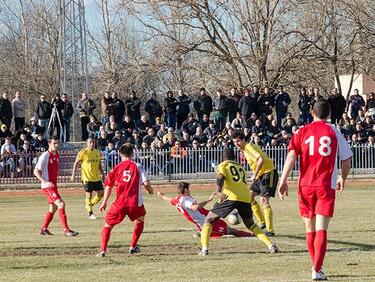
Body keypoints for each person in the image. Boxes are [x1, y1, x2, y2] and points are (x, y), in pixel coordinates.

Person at [277, 99, 352, 281]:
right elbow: (346, 160)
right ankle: (317, 269)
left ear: (312, 113)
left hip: (305, 186)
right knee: (321, 229)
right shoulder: (333, 130)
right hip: (325, 186)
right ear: (330, 115)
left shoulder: (302, 131)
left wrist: (283, 179)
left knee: (309, 229)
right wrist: (343, 177)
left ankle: (316, 267)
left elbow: (292, 155)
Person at [199, 148, 278, 255]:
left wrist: (218, 191)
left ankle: (204, 249)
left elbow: (220, 178)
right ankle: (270, 245)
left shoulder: (223, 165)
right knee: (251, 224)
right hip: (245, 198)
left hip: (230, 197)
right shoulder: (240, 167)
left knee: (208, 220)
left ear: (223, 157)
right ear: (234, 157)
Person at [96, 143, 154, 257]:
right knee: (140, 219)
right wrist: (150, 190)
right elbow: (146, 183)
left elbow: (108, 185)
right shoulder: (137, 166)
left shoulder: (117, 168)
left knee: (108, 225)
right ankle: (133, 246)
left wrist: (104, 202)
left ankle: (102, 250)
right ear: (132, 154)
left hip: (120, 203)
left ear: (120, 154)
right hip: (134, 203)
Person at [157, 182, 254, 238]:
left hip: (208, 217)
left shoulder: (178, 199)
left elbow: (171, 200)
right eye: (188, 188)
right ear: (185, 190)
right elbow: (195, 207)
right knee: (231, 231)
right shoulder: (185, 200)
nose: (190, 190)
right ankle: (252, 235)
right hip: (205, 222)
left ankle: (200, 232)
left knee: (225, 225)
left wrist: (162, 196)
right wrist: (209, 199)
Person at [232, 131, 278, 237]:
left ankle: (270, 230)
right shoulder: (245, 148)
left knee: (264, 200)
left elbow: (261, 160)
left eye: (238, 141)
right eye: (234, 142)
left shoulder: (248, 147)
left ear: (243, 140)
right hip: (261, 175)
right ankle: (262, 223)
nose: (236, 144)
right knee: (250, 198)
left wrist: (254, 174)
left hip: (268, 173)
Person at [33, 136, 79, 236]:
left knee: (52, 209)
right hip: (47, 187)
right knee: (61, 204)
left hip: (53, 186)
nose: (56, 145)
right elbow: (36, 171)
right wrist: (45, 181)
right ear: (49, 144)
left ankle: (43, 229)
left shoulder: (57, 154)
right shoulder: (45, 156)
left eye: (57, 143)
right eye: (54, 143)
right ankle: (66, 230)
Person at [71, 137, 105, 220]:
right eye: (90, 142)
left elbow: (99, 164)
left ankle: (89, 205)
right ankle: (90, 213)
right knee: (89, 195)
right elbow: (76, 162)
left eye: (93, 142)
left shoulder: (97, 152)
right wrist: (73, 174)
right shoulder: (83, 152)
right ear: (87, 143)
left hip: (96, 177)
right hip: (87, 178)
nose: (92, 144)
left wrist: (103, 174)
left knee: (101, 193)